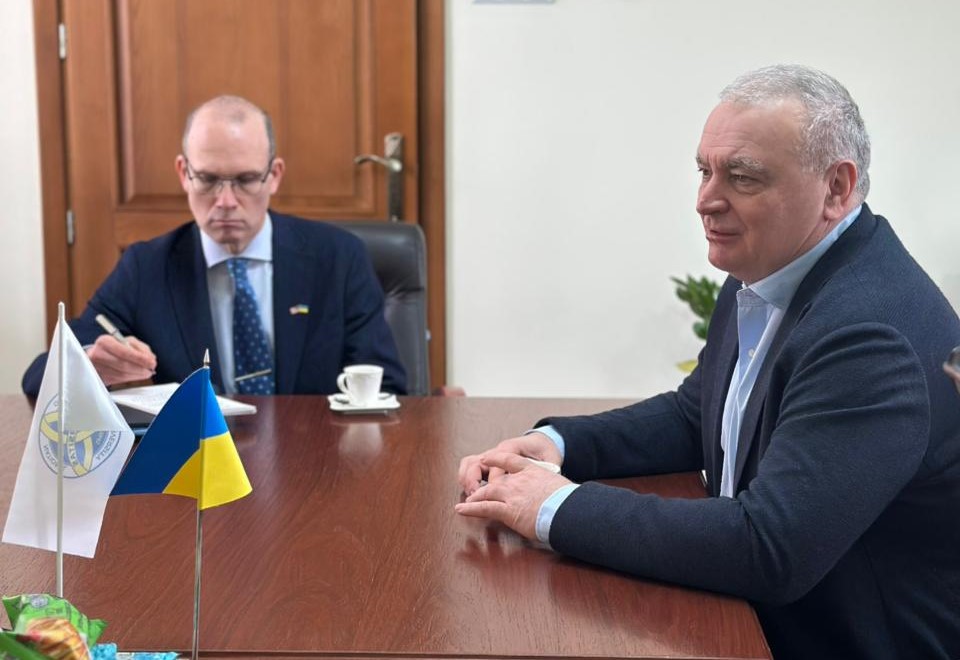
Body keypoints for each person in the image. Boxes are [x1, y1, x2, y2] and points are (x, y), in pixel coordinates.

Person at [456, 65, 960, 659]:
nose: (705, 200)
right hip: (748, 621)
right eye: (704, 170)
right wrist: (558, 445)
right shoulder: (770, 266)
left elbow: (769, 548)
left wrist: (552, 505)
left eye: (742, 177)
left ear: (836, 188)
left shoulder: (869, 336)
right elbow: (697, 415)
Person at [22, 95, 406, 397]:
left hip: (317, 459)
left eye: (245, 180)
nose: (225, 201)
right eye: (207, 180)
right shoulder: (147, 268)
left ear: (273, 176)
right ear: (183, 173)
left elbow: (389, 389)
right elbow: (38, 376)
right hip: (197, 464)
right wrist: (88, 367)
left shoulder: (338, 258)